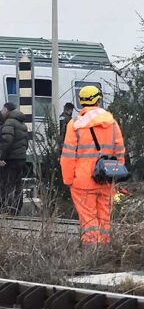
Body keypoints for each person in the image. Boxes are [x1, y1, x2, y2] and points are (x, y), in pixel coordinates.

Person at [61, 85, 126, 245]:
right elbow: (120, 152)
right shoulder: (111, 122)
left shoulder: (75, 125)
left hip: (82, 181)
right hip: (106, 179)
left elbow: (68, 156)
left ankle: (91, 254)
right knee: (105, 218)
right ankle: (105, 249)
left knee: (88, 220)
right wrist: (114, 175)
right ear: (99, 99)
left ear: (80, 101)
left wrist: (68, 180)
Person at [0, 102, 30, 215]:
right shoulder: (22, 124)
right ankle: (16, 208)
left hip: (10, 159)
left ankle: (7, 208)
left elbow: (6, 141)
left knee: (7, 184)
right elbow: (26, 143)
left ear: (6, 110)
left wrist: (2, 157)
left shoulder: (9, 122)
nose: (1, 112)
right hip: (21, 159)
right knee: (18, 184)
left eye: (2, 109)